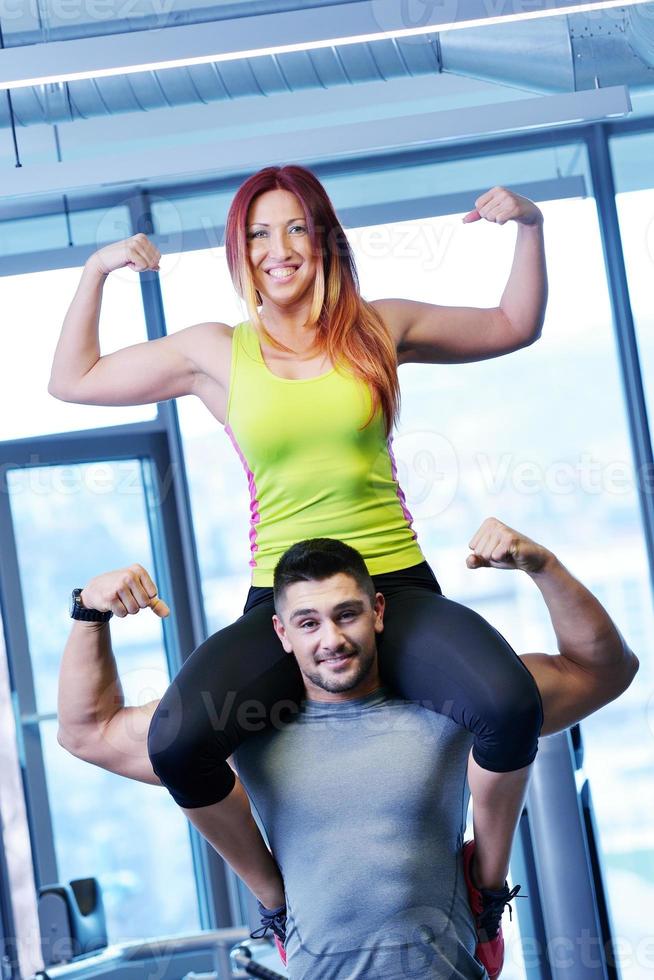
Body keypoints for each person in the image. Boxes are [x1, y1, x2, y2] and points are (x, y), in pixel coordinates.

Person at [49, 164, 550, 973]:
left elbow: (513, 322)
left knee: (508, 703)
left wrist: (530, 227)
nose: (278, 248)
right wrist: (96, 270)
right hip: (282, 604)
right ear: (239, 251)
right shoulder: (216, 352)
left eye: (295, 229)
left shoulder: (378, 329)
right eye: (257, 232)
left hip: (391, 587)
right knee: (180, 744)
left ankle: (485, 893)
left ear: (324, 241)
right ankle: (278, 906)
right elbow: (71, 380)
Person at [57, 518, 638, 979]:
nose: (331, 639)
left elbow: (605, 671)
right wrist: (88, 613)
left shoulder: (448, 710)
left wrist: (545, 566)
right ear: (281, 634)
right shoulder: (249, 733)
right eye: (307, 623)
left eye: (347, 614)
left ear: (378, 612)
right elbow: (87, 732)